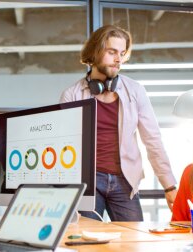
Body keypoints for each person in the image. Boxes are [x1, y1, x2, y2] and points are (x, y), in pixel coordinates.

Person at [60, 25, 177, 221]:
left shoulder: (135, 91)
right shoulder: (71, 95)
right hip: (88, 182)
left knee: (134, 237)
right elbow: (64, 148)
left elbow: (153, 139)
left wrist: (169, 186)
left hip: (125, 180)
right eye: (112, 52)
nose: (118, 59)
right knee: (86, 237)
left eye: (122, 54)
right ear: (95, 52)